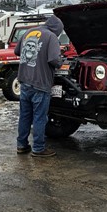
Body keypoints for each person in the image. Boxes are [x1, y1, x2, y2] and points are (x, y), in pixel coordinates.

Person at [14, 16, 64, 158]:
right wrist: (61, 62)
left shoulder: (28, 32)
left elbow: (17, 52)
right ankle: (38, 148)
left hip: (24, 81)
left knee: (25, 116)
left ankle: (22, 145)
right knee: (39, 117)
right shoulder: (51, 37)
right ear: (57, 29)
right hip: (40, 84)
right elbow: (54, 59)